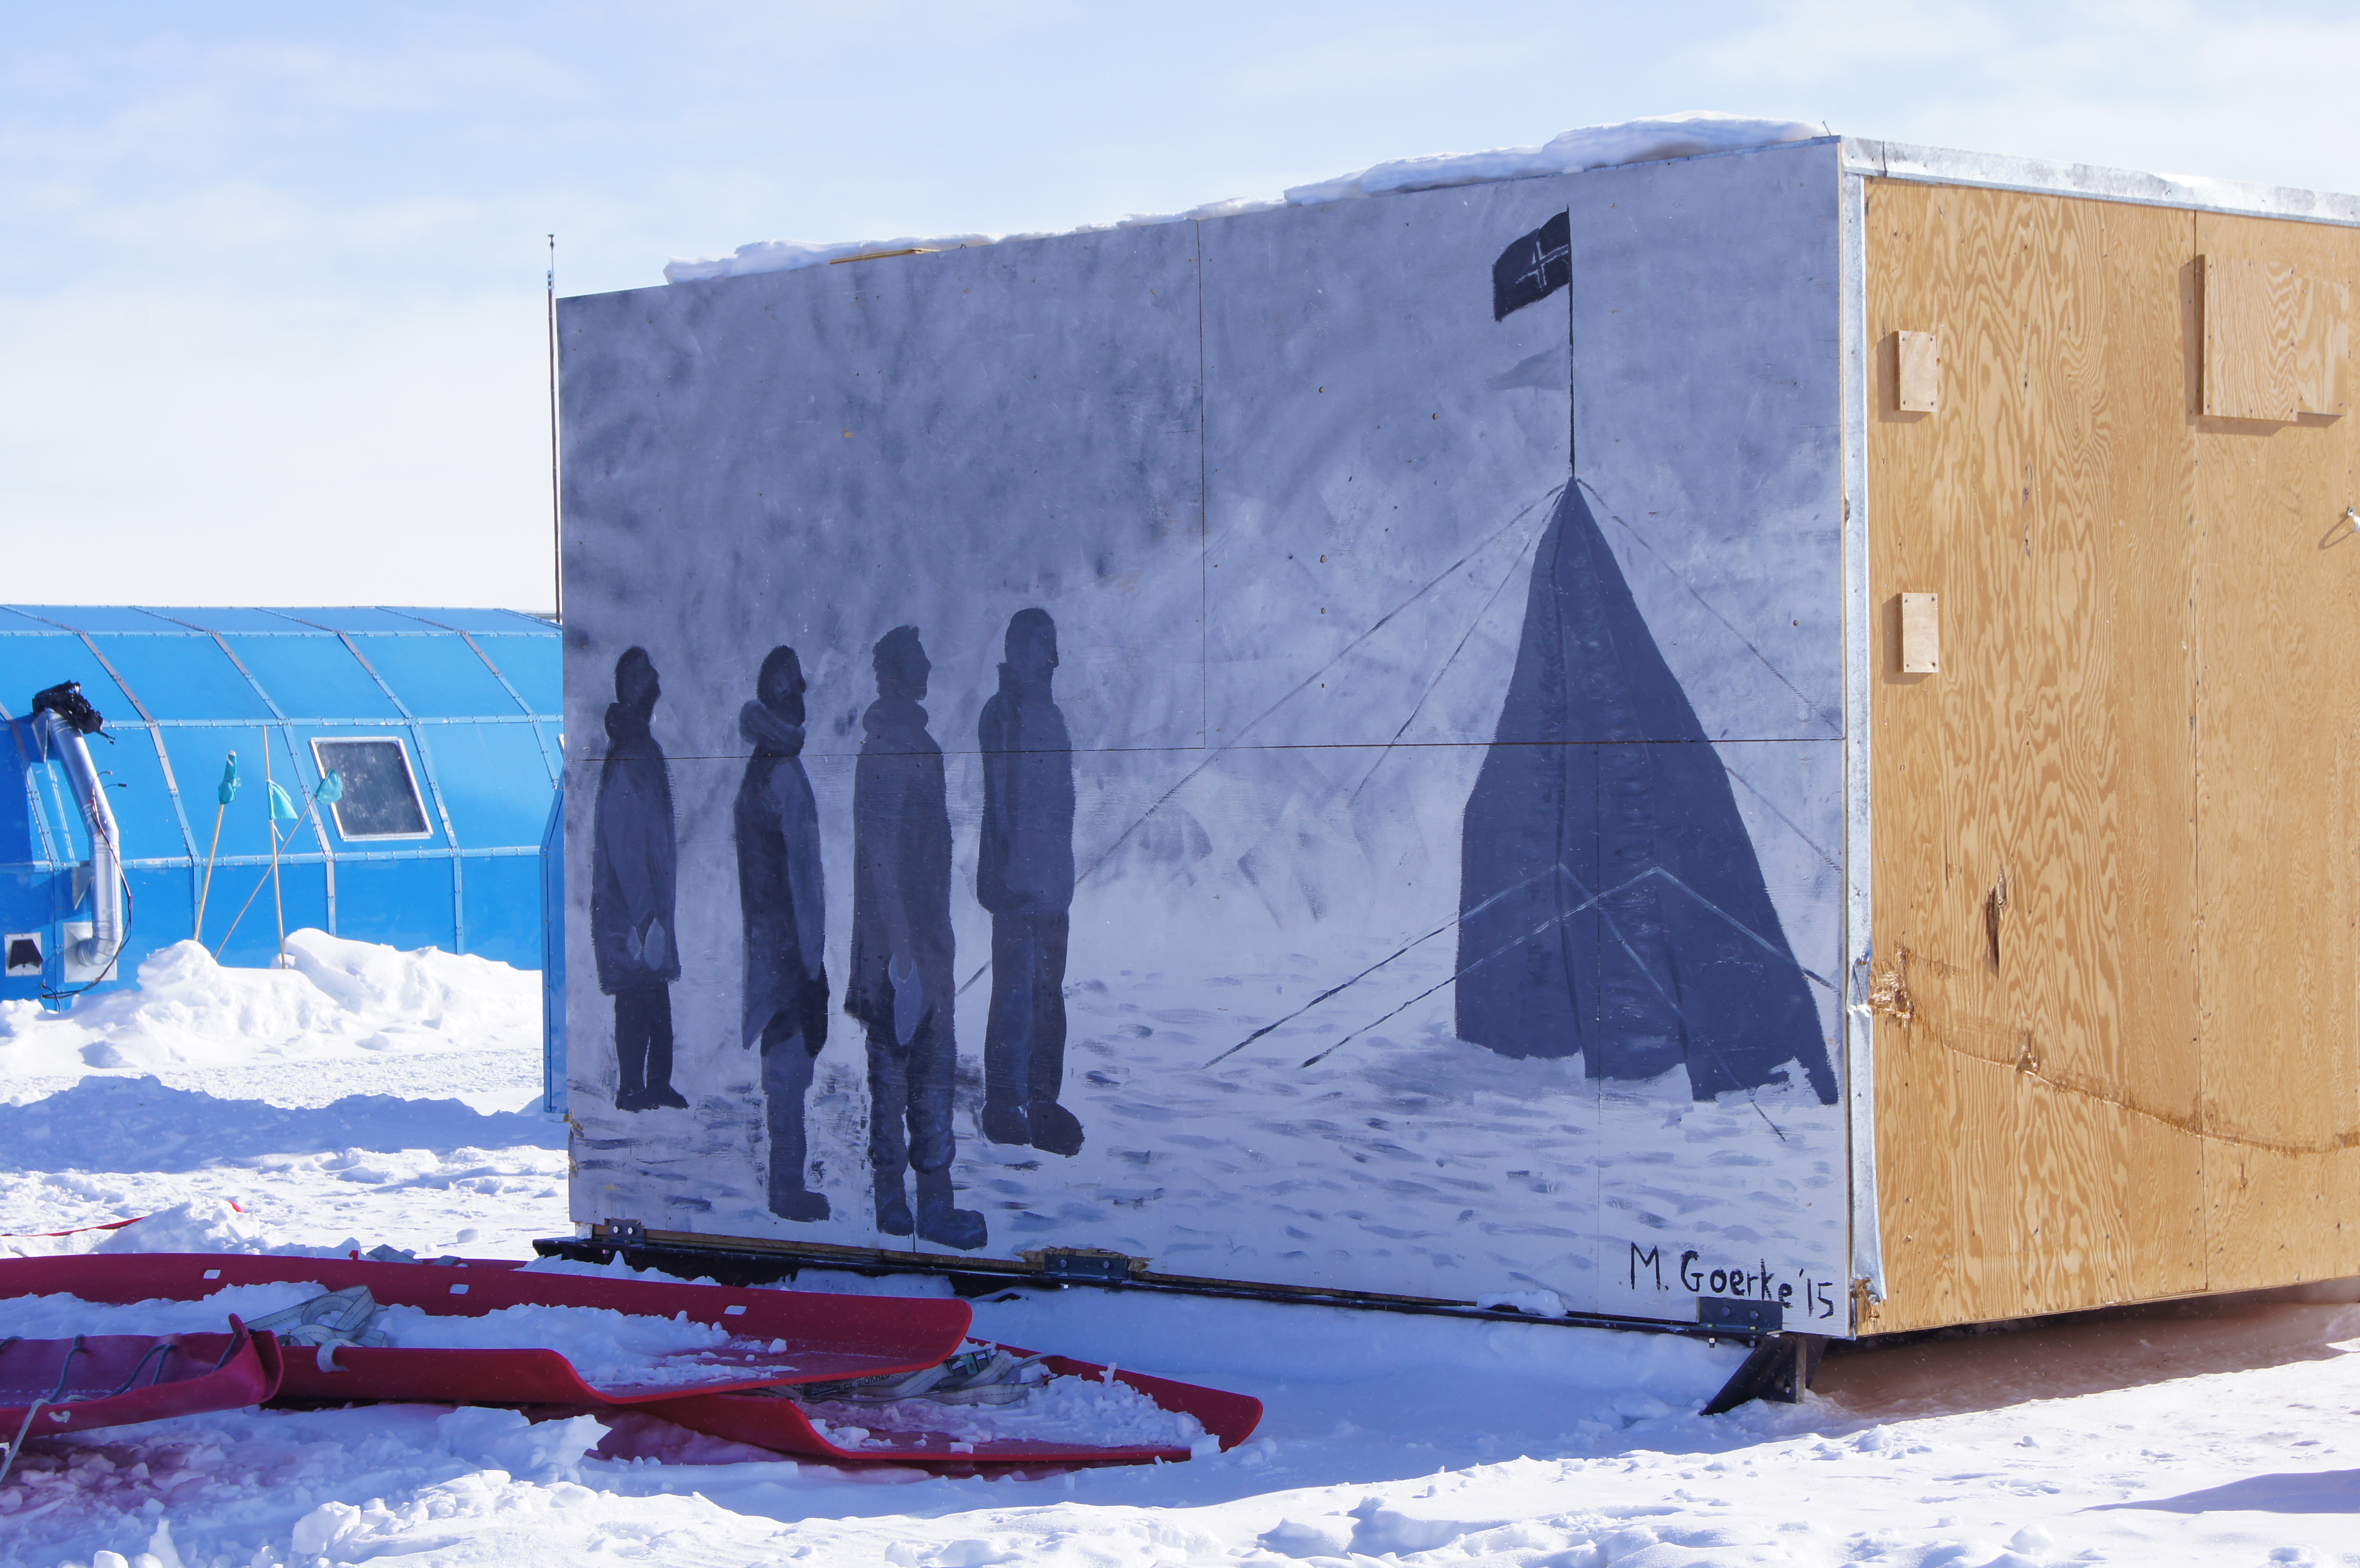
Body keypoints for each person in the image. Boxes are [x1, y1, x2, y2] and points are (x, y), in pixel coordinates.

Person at [846, 627, 987, 1250]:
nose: (930, 665)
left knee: (933, 1069)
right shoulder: (884, 753)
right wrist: (901, 953)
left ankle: (935, 1203)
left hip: (928, 942)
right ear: (896, 674)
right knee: (894, 1070)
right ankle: (890, 1200)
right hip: (894, 949)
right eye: (918, 660)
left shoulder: (920, 747)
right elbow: (878, 857)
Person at [977, 608, 1082, 1155]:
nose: (1054, 656)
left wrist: (1062, 876)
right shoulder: (1004, 714)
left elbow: (1062, 805)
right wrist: (998, 876)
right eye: (1044, 644)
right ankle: (1002, 1102)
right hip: (1016, 885)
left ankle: (1042, 1098)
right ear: (1019, 650)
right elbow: (997, 802)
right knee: (1015, 996)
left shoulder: (1054, 717)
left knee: (1049, 998)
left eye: (1054, 644)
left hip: (1052, 888)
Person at [734, 646, 831, 1221]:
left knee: (787, 1064)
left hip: (776, 946)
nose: (803, 697)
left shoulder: (768, 768)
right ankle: (785, 1185)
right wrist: (811, 965)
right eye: (795, 687)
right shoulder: (779, 773)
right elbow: (802, 879)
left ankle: (786, 1180)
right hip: (788, 949)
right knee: (788, 1067)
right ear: (780, 695)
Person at [591, 647, 688, 1112]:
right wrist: (646, 915)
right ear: (633, 687)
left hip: (645, 911)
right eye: (649, 677)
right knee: (636, 998)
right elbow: (627, 846)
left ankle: (655, 1084)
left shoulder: (640, 751)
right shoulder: (631, 757)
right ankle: (633, 1089)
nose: (657, 685)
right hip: (632, 914)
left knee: (652, 996)